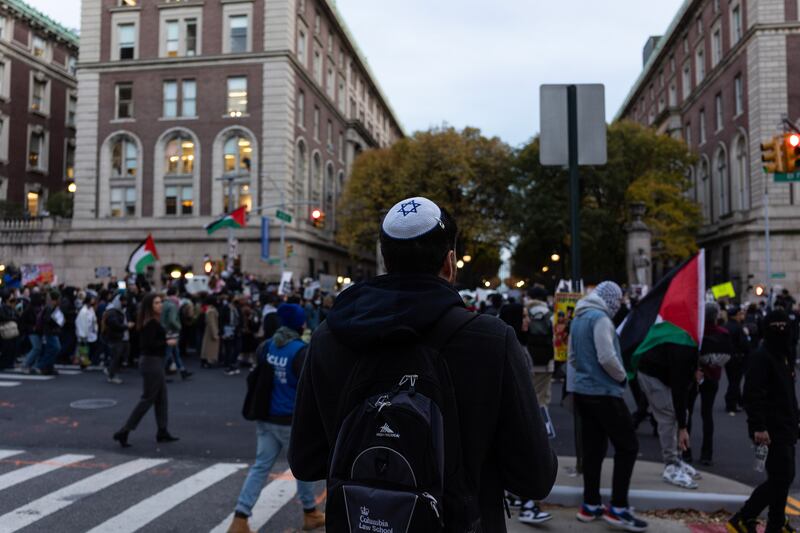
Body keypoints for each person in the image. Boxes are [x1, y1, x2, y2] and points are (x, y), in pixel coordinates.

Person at [288, 197, 557, 532]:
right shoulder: (491, 340)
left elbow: (306, 461)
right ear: (450, 263)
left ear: (385, 261)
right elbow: (535, 478)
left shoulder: (329, 337)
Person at [225, 304, 325, 533]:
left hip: (266, 417)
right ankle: (310, 513)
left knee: (260, 467)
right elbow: (308, 388)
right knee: (304, 466)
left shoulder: (267, 346)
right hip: (291, 419)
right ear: (300, 324)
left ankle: (240, 518)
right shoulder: (300, 350)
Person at [567, 281, 647, 531]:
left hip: (582, 392)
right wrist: (622, 375)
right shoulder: (601, 319)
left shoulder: (578, 317)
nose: (618, 306)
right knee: (628, 446)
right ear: (610, 300)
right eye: (618, 301)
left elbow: (571, 357)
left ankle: (590, 504)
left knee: (594, 449)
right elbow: (607, 356)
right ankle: (618, 507)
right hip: (604, 393)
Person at [728, 310, 799, 533]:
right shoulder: (762, 356)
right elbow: (752, 394)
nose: (781, 330)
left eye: (784, 325)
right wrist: (758, 426)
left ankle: (776, 523)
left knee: (784, 476)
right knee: (781, 477)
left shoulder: (783, 355)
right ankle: (743, 518)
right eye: (775, 326)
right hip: (770, 429)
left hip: (786, 426)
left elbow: (787, 393)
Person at [498, 302, 553, 526]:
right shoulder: (513, 348)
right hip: (516, 415)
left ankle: (518, 498)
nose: (528, 320)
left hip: (514, 414)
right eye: (523, 316)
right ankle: (528, 506)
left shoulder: (517, 344)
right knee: (529, 454)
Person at [113, 293, 179, 447]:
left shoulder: (152, 322)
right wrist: (167, 342)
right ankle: (124, 430)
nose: (160, 305)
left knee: (161, 398)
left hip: (154, 362)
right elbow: (148, 345)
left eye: (160, 302)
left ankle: (162, 431)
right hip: (151, 362)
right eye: (156, 303)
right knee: (148, 398)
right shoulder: (150, 323)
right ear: (150, 306)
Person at [635, 340, 700, 489]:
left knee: (679, 412)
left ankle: (676, 459)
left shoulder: (691, 347)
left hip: (658, 372)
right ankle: (671, 465)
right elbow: (679, 389)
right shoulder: (685, 350)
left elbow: (683, 392)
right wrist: (683, 427)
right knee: (668, 415)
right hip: (651, 375)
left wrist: (683, 420)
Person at [685, 303, 732, 466]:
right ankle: (707, 453)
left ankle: (686, 451)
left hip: (693, 376)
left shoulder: (695, 334)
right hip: (713, 377)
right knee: (707, 415)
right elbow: (727, 356)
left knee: (687, 413)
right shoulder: (723, 334)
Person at [526, 286, 555, 408]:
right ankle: (542, 423)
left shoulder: (525, 312)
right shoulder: (550, 313)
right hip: (546, 360)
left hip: (527, 358)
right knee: (543, 396)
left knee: (528, 394)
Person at [161, 287, 191, 380]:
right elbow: (172, 320)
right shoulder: (173, 305)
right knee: (169, 352)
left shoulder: (164, 304)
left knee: (174, 352)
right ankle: (161, 373)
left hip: (165, 330)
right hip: (172, 332)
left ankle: (182, 370)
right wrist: (179, 326)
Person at [724, 305, 749, 415]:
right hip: (737, 357)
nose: (741, 316)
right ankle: (731, 404)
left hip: (727, 357)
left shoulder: (725, 326)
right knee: (735, 381)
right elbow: (744, 344)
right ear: (736, 315)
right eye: (740, 314)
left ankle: (738, 401)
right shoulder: (739, 328)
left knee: (732, 380)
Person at [102, 293, 129, 384]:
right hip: (114, 337)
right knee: (115, 356)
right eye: (123, 301)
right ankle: (111, 374)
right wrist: (126, 326)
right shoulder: (113, 312)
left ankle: (111, 371)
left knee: (117, 356)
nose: (124, 303)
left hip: (118, 337)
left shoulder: (119, 311)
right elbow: (115, 325)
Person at [201, 295, 220, 368]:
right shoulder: (211, 310)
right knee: (210, 347)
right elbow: (212, 323)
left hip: (209, 330)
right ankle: (209, 361)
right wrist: (215, 333)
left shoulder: (210, 309)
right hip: (211, 331)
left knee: (207, 346)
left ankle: (205, 360)